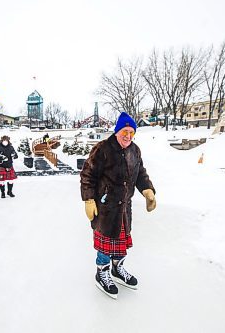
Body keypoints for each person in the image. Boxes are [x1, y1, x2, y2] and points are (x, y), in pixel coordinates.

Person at [80, 111, 157, 299]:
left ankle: (117, 269)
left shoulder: (135, 150)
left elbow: (140, 173)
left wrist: (148, 190)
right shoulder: (103, 148)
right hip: (105, 208)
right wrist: (89, 199)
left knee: (121, 243)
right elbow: (87, 175)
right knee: (105, 244)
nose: (128, 135)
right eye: (125, 131)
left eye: (132, 132)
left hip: (124, 208)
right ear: (117, 131)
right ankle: (102, 272)